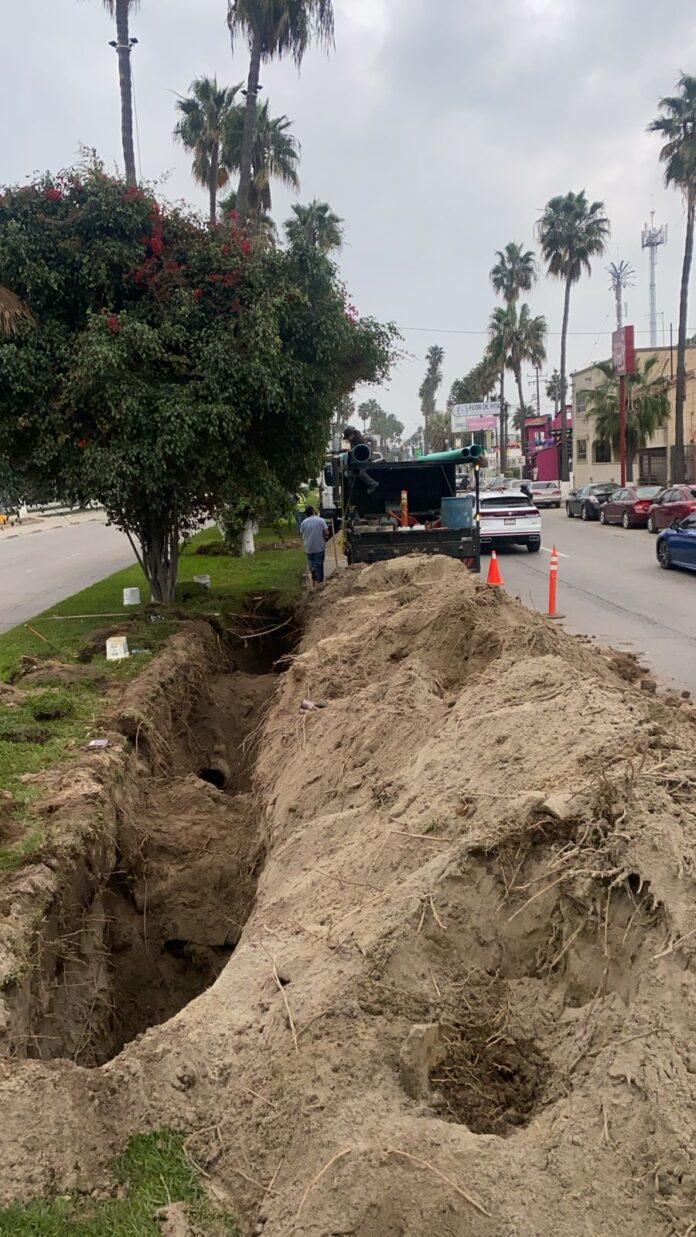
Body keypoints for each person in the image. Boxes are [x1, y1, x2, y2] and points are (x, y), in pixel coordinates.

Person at [299, 505, 330, 584]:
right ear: (313, 511)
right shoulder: (321, 520)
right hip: (319, 546)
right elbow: (326, 532)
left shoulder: (303, 522)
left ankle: (312, 569)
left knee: (311, 561)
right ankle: (319, 582)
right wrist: (325, 535)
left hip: (308, 547)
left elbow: (302, 532)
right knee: (319, 564)